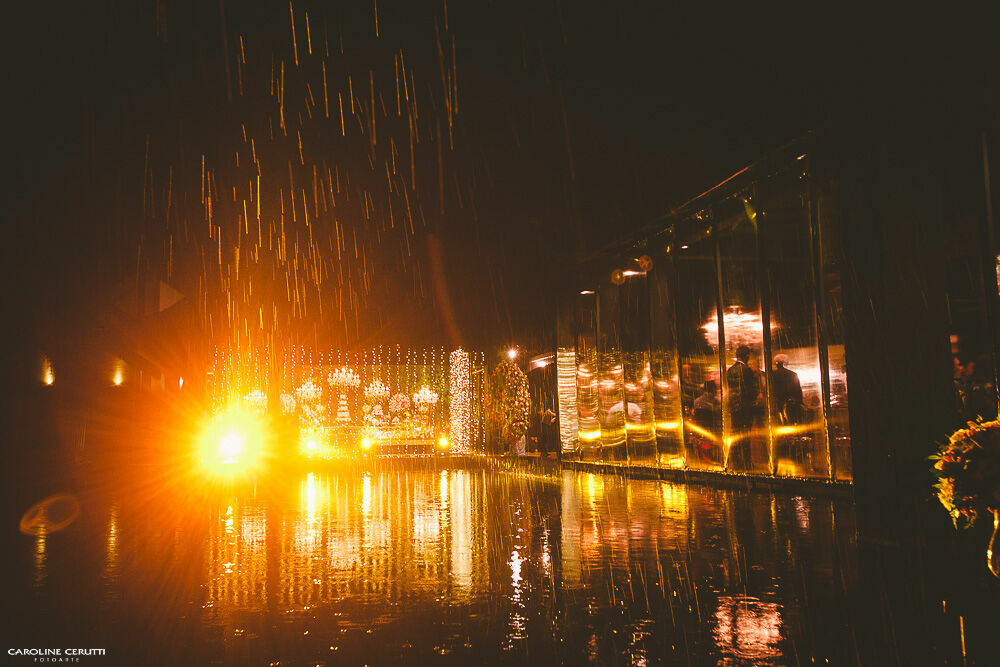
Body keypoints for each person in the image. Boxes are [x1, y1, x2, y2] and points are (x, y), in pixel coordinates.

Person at [771, 353, 803, 424]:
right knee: (792, 421)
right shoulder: (793, 374)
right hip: (791, 403)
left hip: (778, 402)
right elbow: (797, 390)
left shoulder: (772, 375)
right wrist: (799, 401)